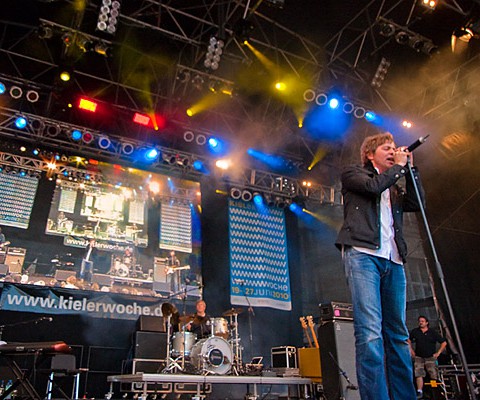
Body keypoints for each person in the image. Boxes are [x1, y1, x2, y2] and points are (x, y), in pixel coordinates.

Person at [335, 132, 425, 400]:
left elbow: (417, 203)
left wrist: (411, 169)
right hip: (363, 255)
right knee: (371, 332)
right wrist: (398, 167)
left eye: (393, 149)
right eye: (387, 148)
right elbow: (373, 188)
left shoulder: (394, 184)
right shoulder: (353, 174)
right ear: (370, 154)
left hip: (394, 260)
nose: (392, 151)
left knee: (397, 334)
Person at [408, 316, 447, 399]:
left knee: (432, 373)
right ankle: (419, 391)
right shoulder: (415, 331)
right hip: (419, 356)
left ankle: (435, 391)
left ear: (427, 323)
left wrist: (438, 353)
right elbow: (408, 340)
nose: (421, 322)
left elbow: (443, 342)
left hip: (430, 356)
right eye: (419, 321)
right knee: (418, 373)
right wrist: (411, 350)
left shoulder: (432, 332)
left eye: (422, 321)